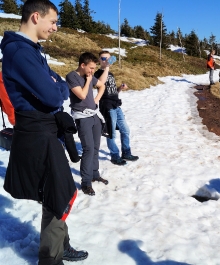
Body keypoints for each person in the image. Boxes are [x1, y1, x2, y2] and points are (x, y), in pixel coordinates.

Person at [0, 0, 88, 264]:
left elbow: (59, 84)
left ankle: (61, 246)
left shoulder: (31, 50)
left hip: (46, 130)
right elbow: (53, 95)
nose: (55, 28)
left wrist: (56, 86)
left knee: (58, 191)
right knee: (55, 193)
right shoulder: (20, 52)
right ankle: (51, 258)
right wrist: (55, 87)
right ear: (36, 17)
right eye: (53, 21)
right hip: (37, 131)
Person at [66, 52, 108, 196]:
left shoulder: (88, 76)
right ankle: (86, 182)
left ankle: (95, 174)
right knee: (88, 148)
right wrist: (89, 81)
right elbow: (82, 95)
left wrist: (96, 99)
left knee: (96, 147)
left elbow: (102, 86)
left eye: (93, 68)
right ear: (82, 65)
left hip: (94, 115)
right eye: (90, 68)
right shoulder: (72, 77)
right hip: (82, 117)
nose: (92, 71)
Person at [94, 50, 139, 165]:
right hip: (107, 106)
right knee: (110, 132)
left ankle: (126, 153)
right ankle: (114, 156)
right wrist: (107, 67)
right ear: (99, 60)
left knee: (125, 130)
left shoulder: (111, 74)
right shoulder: (98, 73)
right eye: (103, 59)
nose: (106, 61)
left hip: (116, 104)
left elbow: (112, 91)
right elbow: (100, 83)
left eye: (108, 58)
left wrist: (120, 88)